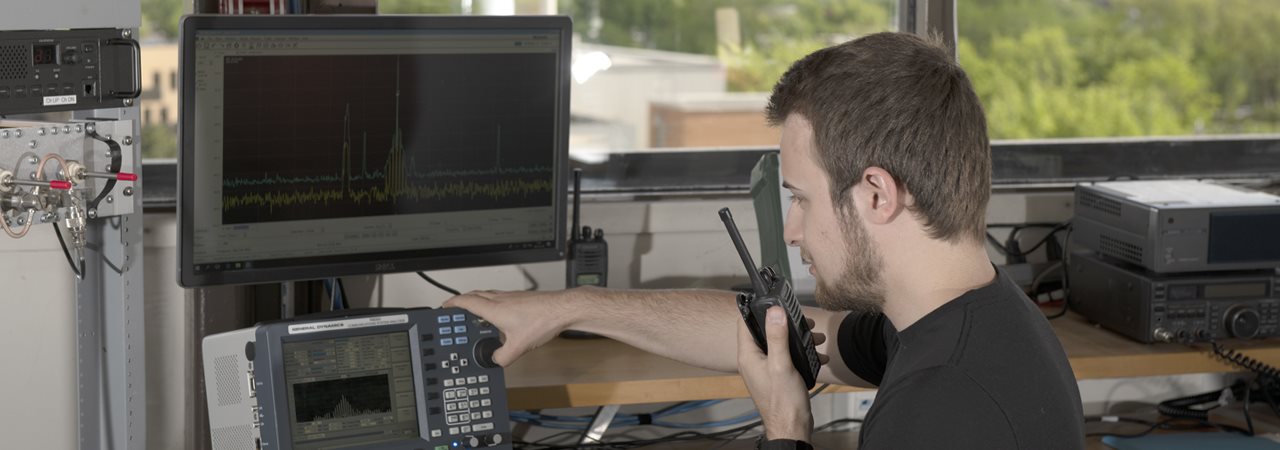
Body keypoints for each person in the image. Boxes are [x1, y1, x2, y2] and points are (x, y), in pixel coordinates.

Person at [447, 32, 1084, 449]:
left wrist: (786, 428)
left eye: (802, 199)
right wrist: (561, 310)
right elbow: (781, 333)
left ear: (876, 195)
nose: (793, 229)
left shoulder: (940, 410)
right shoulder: (966, 318)